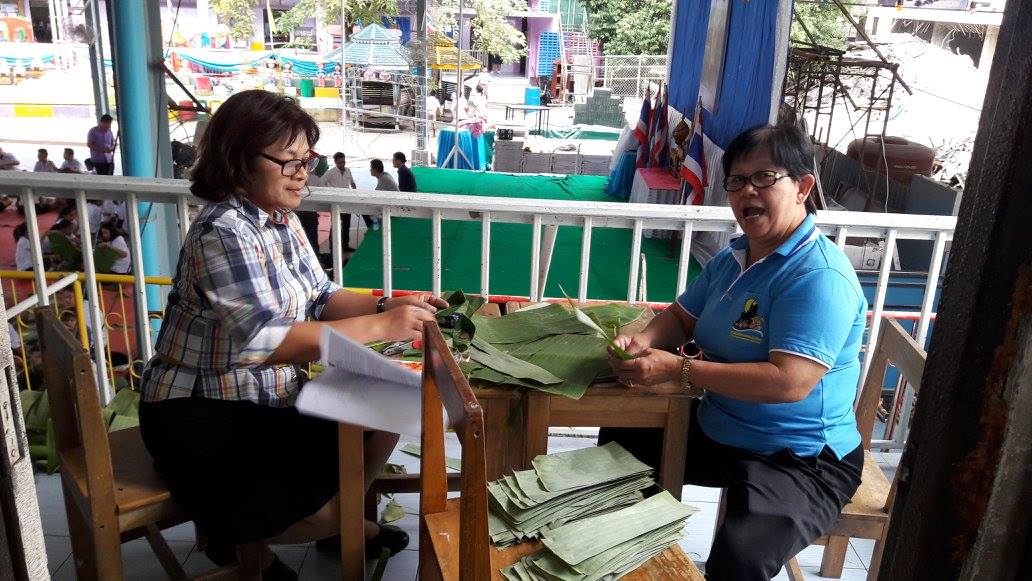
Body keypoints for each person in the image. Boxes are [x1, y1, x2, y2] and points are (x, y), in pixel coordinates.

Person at [137, 90, 447, 578]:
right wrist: (382, 325)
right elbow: (263, 340)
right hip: (202, 409)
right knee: (322, 500)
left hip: (270, 396)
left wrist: (388, 305)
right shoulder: (223, 229)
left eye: (307, 159)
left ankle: (324, 521)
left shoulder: (281, 219)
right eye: (289, 161)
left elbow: (321, 296)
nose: (303, 173)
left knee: (394, 407)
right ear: (238, 159)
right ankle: (273, 534)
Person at [599, 124, 867, 581]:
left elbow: (789, 382)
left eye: (764, 177)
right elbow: (681, 317)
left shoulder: (818, 276)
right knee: (622, 446)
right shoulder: (733, 258)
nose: (748, 191)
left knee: (739, 558)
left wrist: (681, 369)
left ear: (803, 187)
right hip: (720, 427)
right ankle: (640, 558)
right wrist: (644, 339)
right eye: (737, 181)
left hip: (799, 455)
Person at [317, 152, 369, 253]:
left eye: (343, 162)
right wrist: (329, 191)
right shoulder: (330, 172)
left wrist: (355, 192)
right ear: (335, 162)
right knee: (334, 225)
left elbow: (352, 183)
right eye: (340, 162)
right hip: (335, 202)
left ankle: (346, 245)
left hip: (346, 202)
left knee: (346, 225)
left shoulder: (348, 170)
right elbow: (320, 182)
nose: (342, 164)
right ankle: (332, 248)